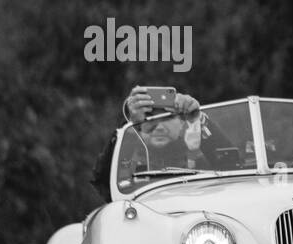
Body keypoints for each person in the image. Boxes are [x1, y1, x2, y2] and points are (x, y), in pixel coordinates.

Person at [90, 86, 233, 200]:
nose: (159, 127)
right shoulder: (129, 163)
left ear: (182, 122)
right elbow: (104, 184)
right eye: (149, 118)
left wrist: (199, 119)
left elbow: (232, 168)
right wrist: (131, 126)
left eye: (167, 117)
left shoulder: (201, 161)